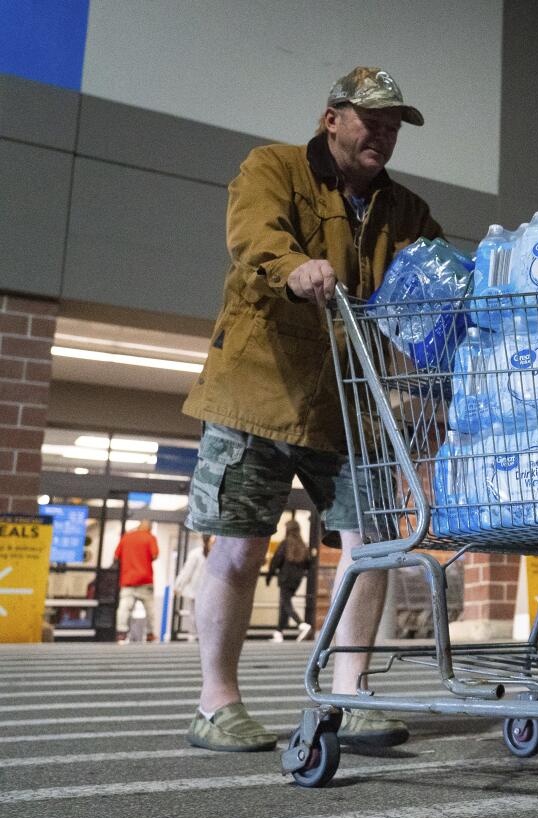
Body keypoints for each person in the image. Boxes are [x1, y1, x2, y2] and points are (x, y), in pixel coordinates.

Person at [181, 66, 442, 753]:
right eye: (371, 121)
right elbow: (253, 236)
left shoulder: (405, 212)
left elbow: (436, 279)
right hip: (258, 394)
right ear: (333, 118)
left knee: (372, 548)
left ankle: (349, 694)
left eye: (393, 126)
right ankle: (216, 702)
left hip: (347, 408)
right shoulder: (272, 168)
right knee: (237, 550)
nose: (383, 136)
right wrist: (292, 263)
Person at [265, 520, 314, 642]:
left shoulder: (285, 544)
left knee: (286, 603)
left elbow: (276, 561)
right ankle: (278, 632)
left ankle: (302, 624)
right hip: (296, 580)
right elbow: (308, 564)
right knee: (284, 605)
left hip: (285, 578)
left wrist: (269, 576)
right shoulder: (302, 545)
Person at [114, 520, 159, 644]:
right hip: (145, 580)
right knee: (150, 609)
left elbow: (116, 556)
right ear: (149, 528)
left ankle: (121, 633)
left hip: (128, 580)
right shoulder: (150, 537)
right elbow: (155, 555)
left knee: (124, 608)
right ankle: (150, 634)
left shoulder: (127, 537)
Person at [174, 534, 211, 641]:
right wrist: (178, 586)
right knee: (196, 615)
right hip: (197, 591)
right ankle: (196, 636)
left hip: (208, 591)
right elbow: (187, 572)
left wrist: (178, 586)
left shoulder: (217, 554)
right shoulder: (196, 554)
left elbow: (186, 572)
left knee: (200, 615)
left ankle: (200, 636)